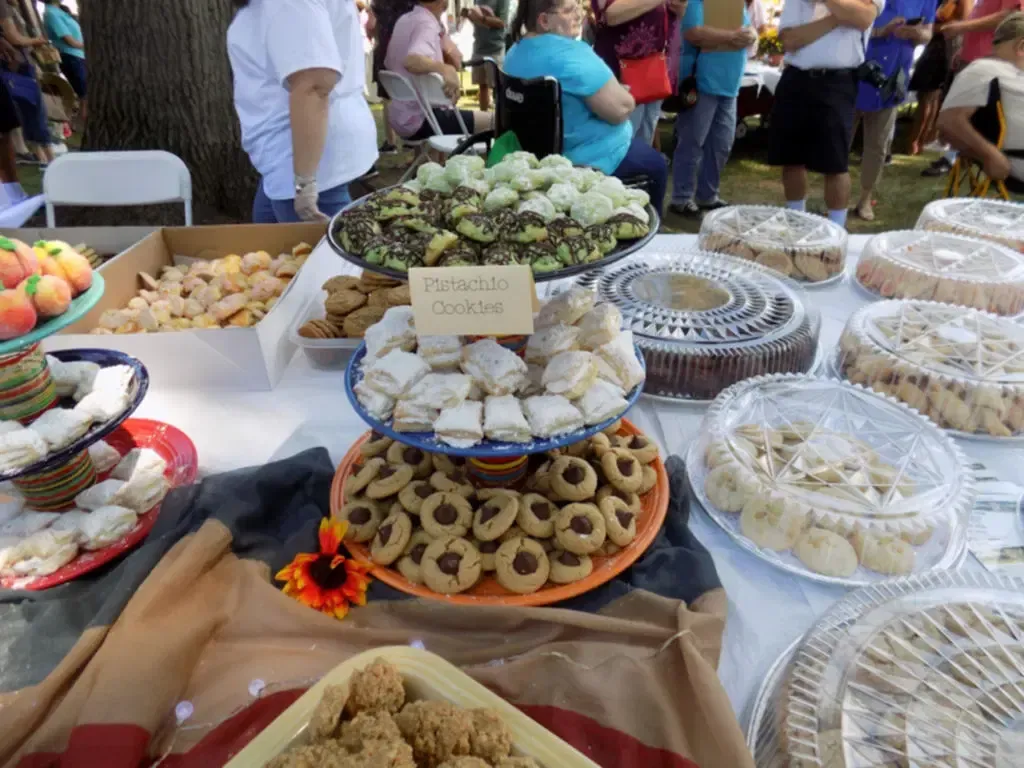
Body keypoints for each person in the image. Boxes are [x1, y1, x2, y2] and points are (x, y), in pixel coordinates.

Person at [503, 0, 668, 207]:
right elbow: (621, 109)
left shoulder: (514, 53)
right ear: (544, 20)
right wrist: (620, 92)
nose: (579, 14)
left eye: (578, 7)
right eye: (570, 10)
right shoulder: (571, 54)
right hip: (584, 158)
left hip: (532, 155)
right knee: (657, 166)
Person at [227, 0, 378, 223]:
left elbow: (314, 85)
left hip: (305, 159)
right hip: (290, 159)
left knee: (314, 254)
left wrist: (304, 184)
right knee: (269, 248)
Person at [768, 0, 883, 228]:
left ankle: (836, 231)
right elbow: (790, 40)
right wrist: (840, 15)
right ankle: (795, 223)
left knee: (835, 164)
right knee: (791, 159)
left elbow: (864, 18)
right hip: (796, 77)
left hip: (837, 81)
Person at [669, 1, 756, 216]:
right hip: (703, 82)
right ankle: (681, 198)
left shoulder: (735, 4)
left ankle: (708, 196)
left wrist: (752, 35)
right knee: (692, 142)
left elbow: (749, 30)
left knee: (722, 144)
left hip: (730, 85)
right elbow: (692, 33)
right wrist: (730, 37)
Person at [852, 2, 935, 220]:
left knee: (878, 145)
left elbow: (928, 34)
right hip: (856, 71)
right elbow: (847, 28)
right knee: (841, 138)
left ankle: (864, 199)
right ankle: (834, 197)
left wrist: (917, 33)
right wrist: (882, 31)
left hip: (893, 78)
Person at [923, 0, 1022, 175]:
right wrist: (963, 49)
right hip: (973, 57)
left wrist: (962, 27)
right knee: (954, 115)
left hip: (988, 61)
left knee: (960, 118)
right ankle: (955, 156)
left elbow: (1009, 16)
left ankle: (955, 158)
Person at [384, 0, 492, 142]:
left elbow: (388, 62)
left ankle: (437, 161)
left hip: (401, 117)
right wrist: (445, 69)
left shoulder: (405, 20)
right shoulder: (426, 24)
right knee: (496, 120)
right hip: (425, 119)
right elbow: (411, 60)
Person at [589, 0, 682, 146]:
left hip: (656, 68)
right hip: (621, 72)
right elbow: (611, 14)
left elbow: (678, 12)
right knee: (621, 142)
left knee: (644, 139)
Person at [907, 0, 968, 155]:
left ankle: (918, 141)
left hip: (947, 46)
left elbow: (966, 21)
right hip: (934, 43)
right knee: (928, 95)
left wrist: (935, 28)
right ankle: (920, 140)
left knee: (930, 94)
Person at [3, 0, 55, 166]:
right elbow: (14, 38)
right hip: (16, 64)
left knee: (27, 110)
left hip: (19, 63)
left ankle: (41, 156)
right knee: (34, 109)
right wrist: (35, 41)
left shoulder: (13, 7)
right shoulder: (3, 6)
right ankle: (48, 157)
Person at [41, 0, 85, 124]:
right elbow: (68, 40)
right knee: (85, 94)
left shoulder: (60, 11)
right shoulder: (51, 13)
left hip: (78, 56)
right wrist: (87, 45)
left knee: (85, 94)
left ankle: (77, 124)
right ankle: (80, 125)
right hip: (70, 56)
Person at [468, 0, 510, 111]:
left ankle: (501, 120)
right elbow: (478, 20)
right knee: (482, 86)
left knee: (499, 87)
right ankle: (485, 119)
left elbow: (502, 22)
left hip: (495, 48)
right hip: (479, 46)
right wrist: (470, 16)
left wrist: (482, 18)